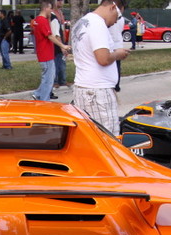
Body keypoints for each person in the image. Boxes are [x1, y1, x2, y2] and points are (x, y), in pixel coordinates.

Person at [71, 0, 128, 135]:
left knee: (91, 138)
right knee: (108, 140)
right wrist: (118, 54)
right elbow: (103, 58)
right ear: (113, 7)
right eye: (118, 17)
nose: (116, 22)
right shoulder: (97, 24)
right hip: (98, 93)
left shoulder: (82, 22)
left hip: (84, 88)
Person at [32, 0, 69, 101]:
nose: (51, 11)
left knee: (47, 77)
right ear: (45, 8)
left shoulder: (37, 20)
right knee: (49, 78)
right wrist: (63, 46)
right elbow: (50, 36)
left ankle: (38, 94)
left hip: (43, 53)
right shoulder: (42, 21)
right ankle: (44, 99)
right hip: (46, 54)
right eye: (50, 8)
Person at [109, 0, 126, 92]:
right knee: (117, 66)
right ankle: (117, 84)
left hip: (112, 44)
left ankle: (112, 83)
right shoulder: (122, 19)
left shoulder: (111, 19)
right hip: (118, 44)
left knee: (111, 66)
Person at [51, 0, 68, 88]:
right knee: (56, 62)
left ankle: (62, 80)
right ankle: (55, 80)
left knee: (62, 61)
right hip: (56, 43)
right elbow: (56, 33)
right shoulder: (52, 15)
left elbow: (62, 28)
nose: (62, 2)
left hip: (62, 40)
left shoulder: (60, 13)